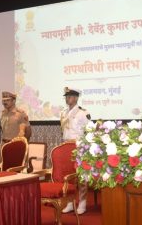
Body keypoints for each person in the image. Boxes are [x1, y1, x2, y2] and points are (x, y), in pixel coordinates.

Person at [60, 87, 91, 215]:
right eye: (66, 96)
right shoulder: (63, 112)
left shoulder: (83, 113)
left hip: (78, 146)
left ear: (76, 98)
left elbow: (89, 130)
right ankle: (69, 203)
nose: (68, 99)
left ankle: (82, 202)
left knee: (81, 176)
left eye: (70, 96)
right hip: (66, 146)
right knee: (68, 175)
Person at [0, 91, 31, 161]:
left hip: (16, 146)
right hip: (4, 145)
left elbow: (28, 132)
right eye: (3, 100)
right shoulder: (3, 114)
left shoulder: (20, 114)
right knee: (4, 169)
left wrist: (22, 143)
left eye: (7, 100)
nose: (5, 102)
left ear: (14, 101)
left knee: (16, 169)